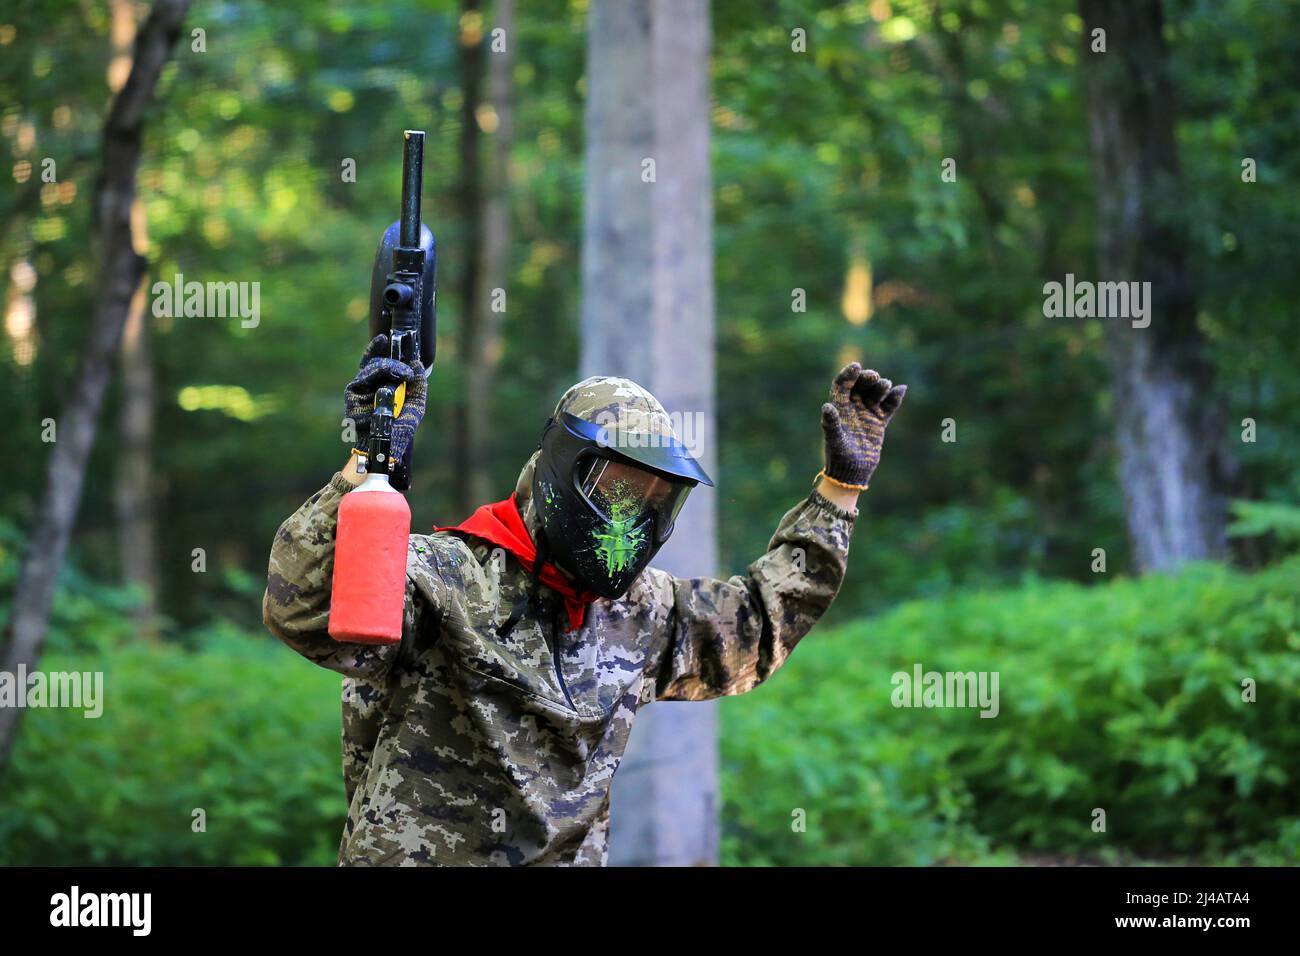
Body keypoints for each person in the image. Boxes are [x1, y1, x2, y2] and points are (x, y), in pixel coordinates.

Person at [263, 336, 906, 865]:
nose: (635, 514)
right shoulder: (442, 578)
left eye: (657, 497)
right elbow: (306, 610)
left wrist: (839, 491)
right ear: (562, 469)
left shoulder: (645, 610)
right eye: (622, 487)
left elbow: (756, 629)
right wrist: (365, 462)